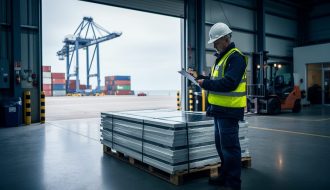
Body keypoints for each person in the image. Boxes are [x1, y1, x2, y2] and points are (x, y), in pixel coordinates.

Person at [192, 22, 247, 190]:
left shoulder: (236, 57)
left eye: (216, 42)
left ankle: (233, 184)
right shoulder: (221, 58)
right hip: (218, 110)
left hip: (229, 111)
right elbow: (215, 80)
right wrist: (198, 77)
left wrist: (205, 84)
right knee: (221, 145)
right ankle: (224, 175)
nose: (214, 46)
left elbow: (229, 83)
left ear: (225, 39)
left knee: (230, 148)